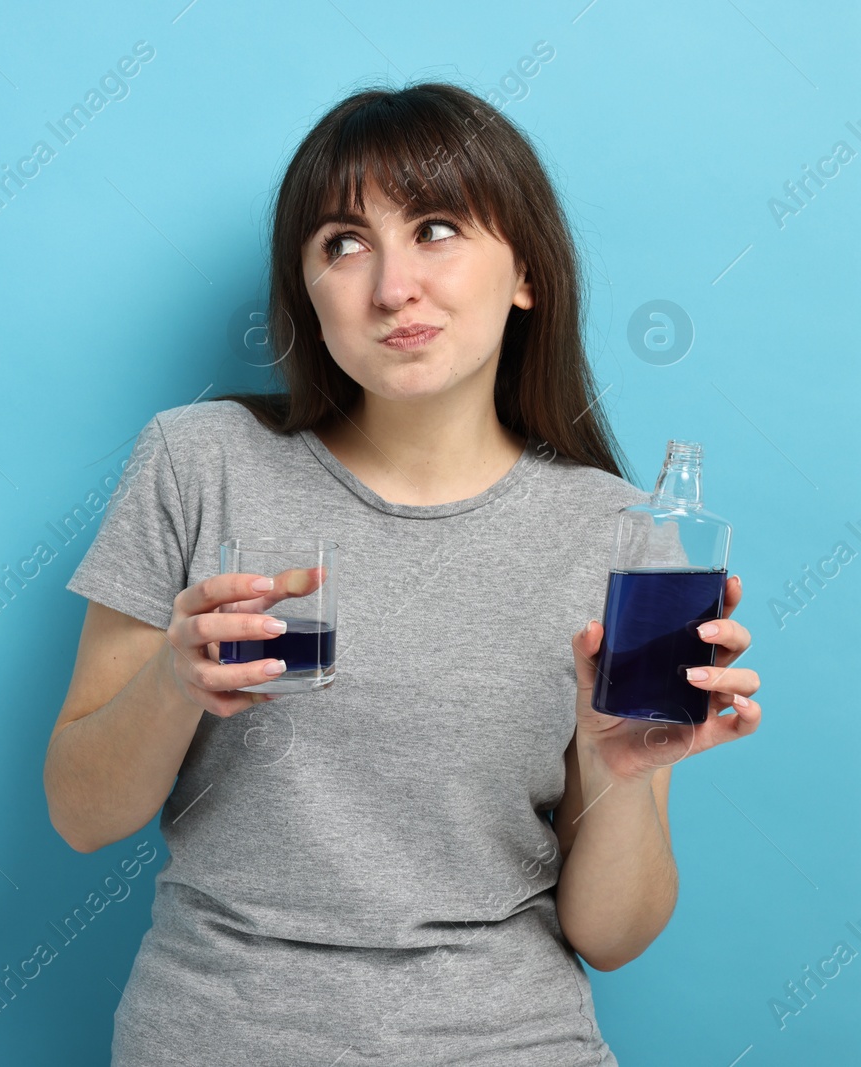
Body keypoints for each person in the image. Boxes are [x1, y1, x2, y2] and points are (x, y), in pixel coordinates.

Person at [43, 81, 763, 1066]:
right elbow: (82, 815)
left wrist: (616, 769)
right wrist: (175, 679)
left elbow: (612, 934)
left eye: (434, 228)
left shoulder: (618, 533)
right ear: (306, 291)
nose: (391, 286)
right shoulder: (197, 460)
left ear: (525, 274)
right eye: (343, 243)